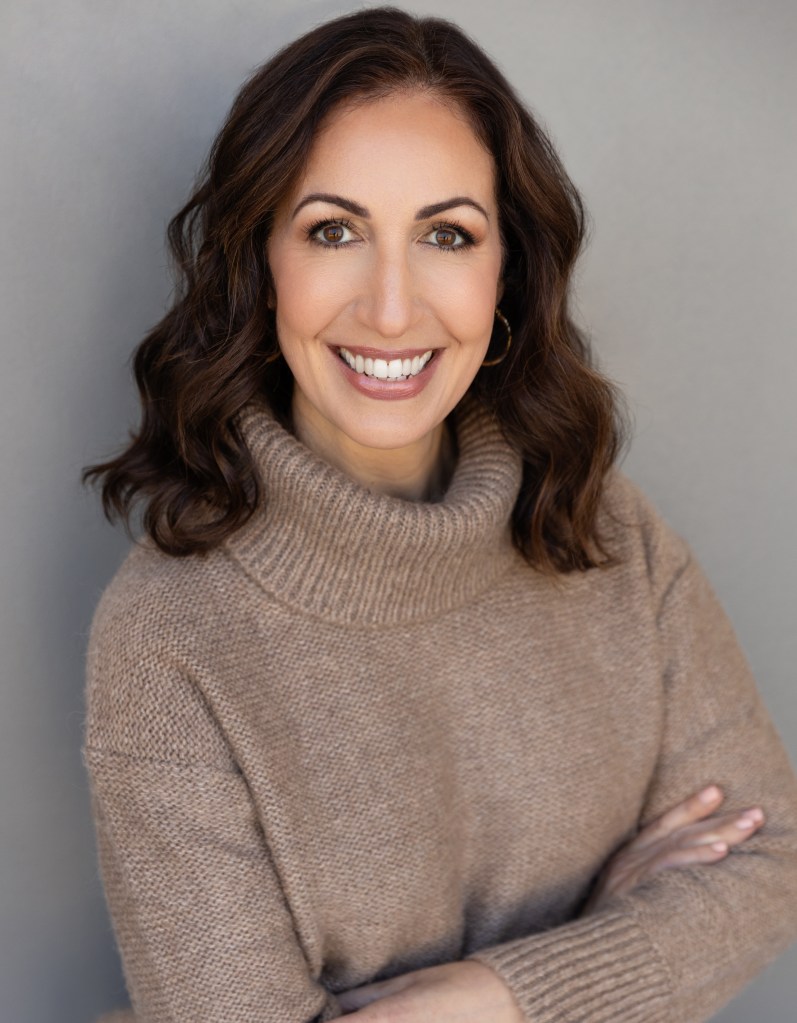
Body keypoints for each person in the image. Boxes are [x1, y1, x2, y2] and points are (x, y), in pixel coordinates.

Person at [81, 7, 797, 1022]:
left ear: (506, 274)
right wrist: (617, 933)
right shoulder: (169, 634)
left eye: (446, 235)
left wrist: (497, 997)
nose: (389, 308)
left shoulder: (606, 529)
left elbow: (768, 859)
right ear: (260, 264)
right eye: (332, 230)